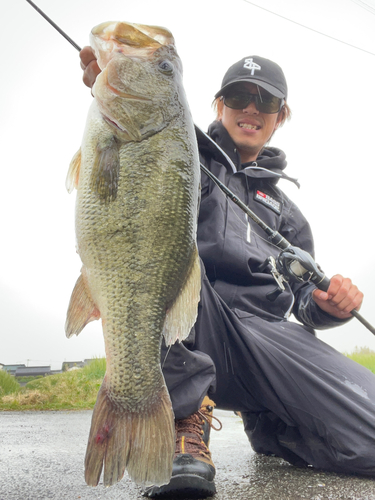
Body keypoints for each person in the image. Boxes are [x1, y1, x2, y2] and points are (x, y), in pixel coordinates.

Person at [80, 48, 375, 498]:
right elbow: (127, 156)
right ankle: (182, 429)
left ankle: (275, 423)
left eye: (267, 102)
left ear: (282, 116)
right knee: (172, 267)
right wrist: (117, 87)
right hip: (190, 328)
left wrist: (326, 305)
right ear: (219, 105)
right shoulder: (181, 154)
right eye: (239, 96)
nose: (251, 109)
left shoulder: (288, 212)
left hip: (266, 342)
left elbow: (301, 301)